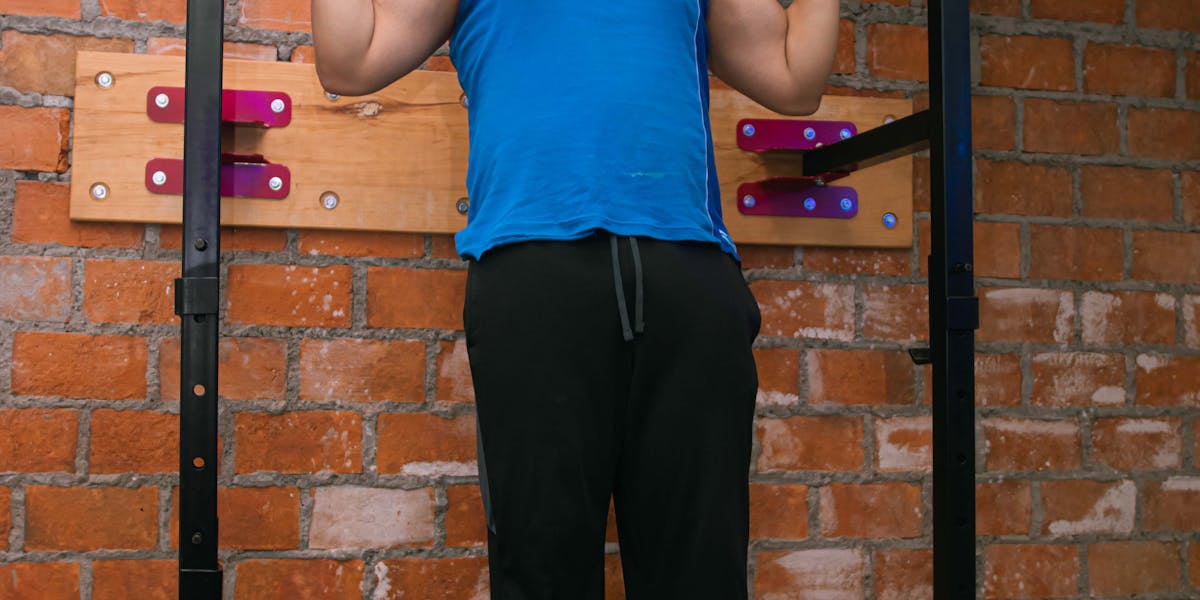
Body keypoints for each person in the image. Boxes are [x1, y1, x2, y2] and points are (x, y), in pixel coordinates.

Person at [312, 1, 839, 597]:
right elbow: (348, 62)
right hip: (537, 275)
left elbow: (795, 81)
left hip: (686, 275)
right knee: (542, 567)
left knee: (701, 574)